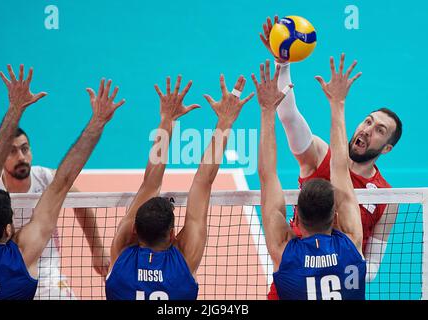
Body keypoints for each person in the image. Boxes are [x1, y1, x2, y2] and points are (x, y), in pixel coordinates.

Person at [260, 16, 402, 298]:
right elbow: (288, 117)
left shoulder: (387, 198)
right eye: (368, 121)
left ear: (386, 148)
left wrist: (326, 254)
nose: (367, 129)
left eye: (379, 130)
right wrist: (282, 64)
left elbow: (371, 267)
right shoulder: (319, 155)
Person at [0, 66, 125, 300]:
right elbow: (62, 182)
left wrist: (14, 108)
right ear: (9, 229)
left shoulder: (35, 179)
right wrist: (97, 122)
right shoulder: (22, 253)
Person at [105, 74, 254, 300]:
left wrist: (167, 119)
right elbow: (203, 182)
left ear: (134, 230)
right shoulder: (184, 261)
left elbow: (150, 183)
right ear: (173, 234)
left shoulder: (121, 255)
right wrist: (225, 121)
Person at [254, 55, 366, 300]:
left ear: (297, 222)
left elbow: (267, 176)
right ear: (335, 214)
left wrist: (266, 111)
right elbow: (339, 167)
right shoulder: (352, 243)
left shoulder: (285, 253)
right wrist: (338, 103)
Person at [0, 127, 110, 299]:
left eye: (25, 149)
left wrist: (97, 248)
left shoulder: (46, 179)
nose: (21, 157)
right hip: (7, 274)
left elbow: (82, 204)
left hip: (47, 274)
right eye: (12, 151)